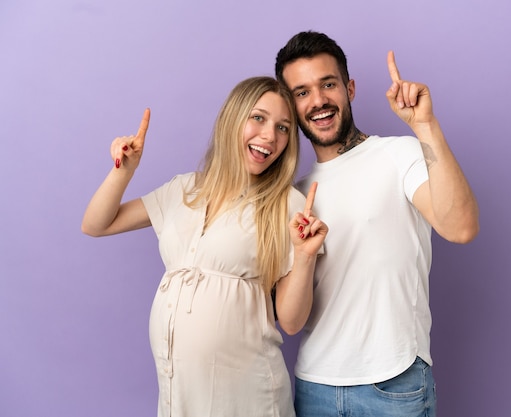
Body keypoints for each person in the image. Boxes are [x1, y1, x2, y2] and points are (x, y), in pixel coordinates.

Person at [81, 76, 327, 417]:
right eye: (258, 118)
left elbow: (291, 321)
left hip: (248, 397)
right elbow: (96, 224)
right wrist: (124, 171)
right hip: (179, 392)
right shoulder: (183, 190)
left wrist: (304, 256)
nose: (270, 136)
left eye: (284, 127)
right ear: (232, 119)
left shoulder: (286, 204)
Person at [274, 31, 480, 416]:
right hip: (315, 387)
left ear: (349, 88)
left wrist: (425, 126)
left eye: (328, 84)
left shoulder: (399, 154)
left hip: (394, 383)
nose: (318, 101)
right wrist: (303, 255)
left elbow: (461, 227)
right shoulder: (297, 197)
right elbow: (290, 321)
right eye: (301, 92)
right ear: (291, 106)